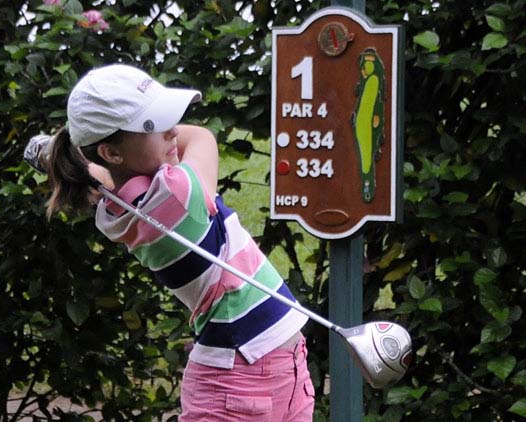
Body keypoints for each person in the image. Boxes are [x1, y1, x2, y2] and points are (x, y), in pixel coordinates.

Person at [27, 64, 315, 421]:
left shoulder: (117, 201)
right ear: (111, 153)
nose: (172, 131)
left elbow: (101, 173)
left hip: (271, 368)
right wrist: (62, 150)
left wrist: (62, 151)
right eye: (154, 126)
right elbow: (202, 137)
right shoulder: (179, 194)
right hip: (239, 382)